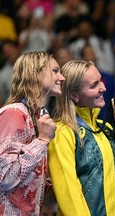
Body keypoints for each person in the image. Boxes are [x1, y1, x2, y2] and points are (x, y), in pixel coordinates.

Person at [48, 59, 115, 216]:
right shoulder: (63, 132)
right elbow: (69, 196)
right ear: (74, 95)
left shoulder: (105, 129)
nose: (103, 88)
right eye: (94, 85)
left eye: (101, 81)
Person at [0, 51, 65, 215]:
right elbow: (5, 178)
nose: (62, 77)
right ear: (35, 73)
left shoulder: (36, 117)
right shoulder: (14, 113)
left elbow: (27, 183)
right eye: (55, 71)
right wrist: (42, 141)